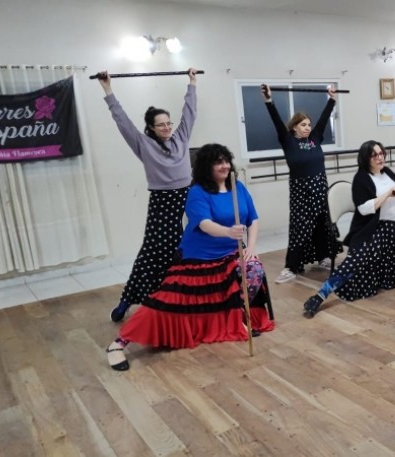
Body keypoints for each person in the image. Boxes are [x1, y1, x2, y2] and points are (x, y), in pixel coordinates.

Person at [105, 143, 274, 371]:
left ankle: (238, 318)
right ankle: (119, 344)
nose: (224, 166)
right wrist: (228, 232)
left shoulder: (238, 187)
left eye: (226, 160)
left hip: (231, 254)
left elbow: (252, 219)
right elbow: (204, 224)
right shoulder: (196, 192)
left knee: (254, 269)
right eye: (218, 162)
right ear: (207, 166)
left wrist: (250, 248)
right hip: (199, 257)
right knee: (166, 303)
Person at [99, 68, 198, 323]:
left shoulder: (181, 138)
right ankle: (126, 301)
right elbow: (123, 122)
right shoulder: (143, 144)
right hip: (162, 204)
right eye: (161, 124)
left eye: (168, 122)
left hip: (184, 201)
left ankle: (172, 300)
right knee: (151, 253)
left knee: (181, 251)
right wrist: (108, 90)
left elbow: (189, 113)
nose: (166, 127)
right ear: (151, 128)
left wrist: (192, 83)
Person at [301, 141, 395, 317]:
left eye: (381, 154)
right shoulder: (361, 179)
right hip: (374, 229)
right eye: (375, 155)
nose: (380, 158)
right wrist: (387, 194)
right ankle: (319, 296)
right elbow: (364, 209)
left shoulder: (388, 173)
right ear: (366, 159)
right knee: (354, 262)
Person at [261, 84, 339, 284]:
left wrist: (331, 99)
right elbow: (276, 121)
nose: (307, 128)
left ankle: (323, 257)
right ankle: (291, 267)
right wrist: (269, 100)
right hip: (301, 192)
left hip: (320, 188)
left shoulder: (315, 138)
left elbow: (323, 119)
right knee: (300, 228)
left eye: (309, 125)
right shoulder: (288, 141)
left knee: (322, 224)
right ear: (294, 126)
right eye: (303, 124)